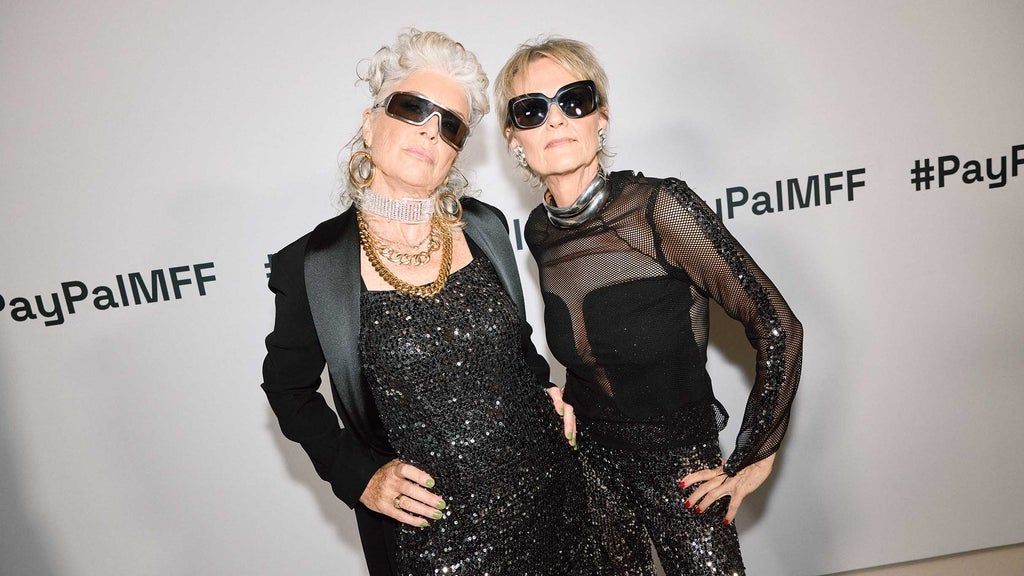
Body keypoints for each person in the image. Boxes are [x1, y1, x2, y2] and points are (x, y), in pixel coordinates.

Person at [262, 30, 595, 576]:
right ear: (370, 122)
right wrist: (360, 477)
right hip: (433, 537)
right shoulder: (314, 264)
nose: (429, 130)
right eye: (413, 107)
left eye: (451, 125)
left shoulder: (484, 226)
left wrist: (546, 390)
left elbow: (517, 347)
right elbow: (287, 389)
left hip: (553, 498)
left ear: (456, 152)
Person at [494, 36, 805, 575]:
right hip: (591, 468)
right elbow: (587, 350)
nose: (555, 119)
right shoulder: (541, 231)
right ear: (513, 137)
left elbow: (779, 326)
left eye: (574, 100)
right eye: (531, 110)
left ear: (602, 117)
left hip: (681, 468)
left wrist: (756, 454)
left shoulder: (658, 207)